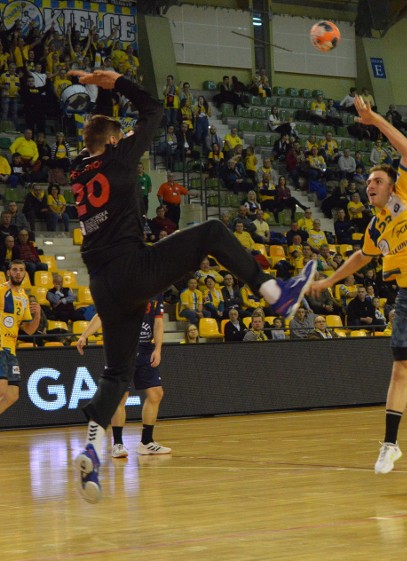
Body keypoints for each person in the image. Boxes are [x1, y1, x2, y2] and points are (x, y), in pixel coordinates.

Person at [67, 69, 317, 503]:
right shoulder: (120, 156)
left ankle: (91, 450)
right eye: (119, 136)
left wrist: (101, 92)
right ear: (113, 142)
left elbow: (101, 129)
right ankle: (277, 293)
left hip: (103, 284)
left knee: (116, 373)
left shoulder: (78, 168)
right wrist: (120, 80)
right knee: (213, 232)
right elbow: (154, 109)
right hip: (132, 268)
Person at [308, 94, 407, 475]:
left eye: (377, 180)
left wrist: (373, 119)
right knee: (401, 371)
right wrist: (329, 280)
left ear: (393, 185)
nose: (370, 185)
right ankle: (391, 444)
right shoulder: (375, 227)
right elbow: (361, 257)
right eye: (367, 182)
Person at [76, 298, 172, 458]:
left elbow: (158, 323)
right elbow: (102, 315)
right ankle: (118, 443)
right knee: (120, 396)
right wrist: (84, 335)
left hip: (146, 348)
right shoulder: (122, 285)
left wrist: (158, 349)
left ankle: (147, 442)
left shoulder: (156, 289)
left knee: (156, 393)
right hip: (122, 347)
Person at [0, 261, 41, 421]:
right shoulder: (2, 289)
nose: (18, 273)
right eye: (15, 270)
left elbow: (29, 330)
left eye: (21, 270)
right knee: (2, 389)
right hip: (0, 346)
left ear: (25, 273)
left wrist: (37, 315)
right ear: (9, 272)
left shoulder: (23, 297)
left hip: (11, 350)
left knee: (12, 394)